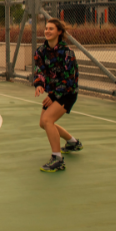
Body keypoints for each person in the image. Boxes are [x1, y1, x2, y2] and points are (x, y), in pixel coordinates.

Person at [34, 18, 83, 173]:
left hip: (67, 93)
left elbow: (69, 80)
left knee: (48, 120)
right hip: (55, 93)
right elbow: (40, 71)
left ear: (59, 32)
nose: (47, 31)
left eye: (51, 29)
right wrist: (40, 84)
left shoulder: (68, 53)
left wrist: (54, 96)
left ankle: (57, 159)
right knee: (43, 123)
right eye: (46, 28)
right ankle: (73, 142)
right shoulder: (40, 52)